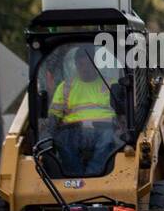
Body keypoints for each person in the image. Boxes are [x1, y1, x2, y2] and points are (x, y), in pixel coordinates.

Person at [48, 46, 119, 176]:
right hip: (73, 130)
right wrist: (50, 134)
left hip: (104, 128)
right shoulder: (65, 87)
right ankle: (75, 175)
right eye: (81, 64)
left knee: (108, 139)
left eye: (89, 63)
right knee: (61, 140)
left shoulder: (110, 85)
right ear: (76, 65)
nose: (85, 68)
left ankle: (92, 175)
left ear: (96, 64)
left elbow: (122, 113)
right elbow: (55, 116)